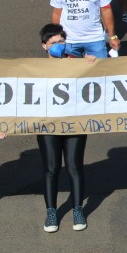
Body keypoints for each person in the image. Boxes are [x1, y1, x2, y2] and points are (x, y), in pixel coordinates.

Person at [36, 24, 93, 232]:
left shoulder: (78, 64)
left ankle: (78, 209)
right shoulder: (33, 69)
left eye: (62, 42)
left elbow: (101, 80)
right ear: (44, 46)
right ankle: (51, 212)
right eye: (53, 43)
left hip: (74, 123)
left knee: (74, 166)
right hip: (47, 125)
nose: (58, 46)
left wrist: (92, 64)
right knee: (51, 169)